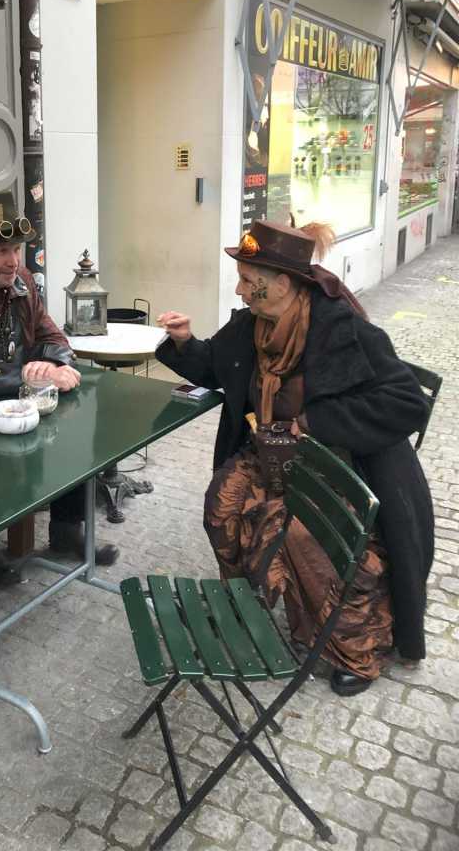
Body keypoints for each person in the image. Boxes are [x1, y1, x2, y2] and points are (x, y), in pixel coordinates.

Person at [156, 219, 434, 696]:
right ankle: (243, 602)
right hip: (274, 454)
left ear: (283, 283)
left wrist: (314, 421)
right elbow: (215, 366)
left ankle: (355, 649)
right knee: (222, 502)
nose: (240, 290)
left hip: (340, 465)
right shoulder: (252, 325)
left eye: (249, 280)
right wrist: (184, 340)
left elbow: (407, 403)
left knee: (305, 535)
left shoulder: (340, 329)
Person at [0, 185, 119, 578]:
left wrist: (53, 365)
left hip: (21, 397)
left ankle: (66, 530)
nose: (14, 260)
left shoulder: (24, 280)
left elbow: (54, 337)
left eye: (16, 249)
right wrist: (29, 378)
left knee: (74, 425)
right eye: (3, 251)